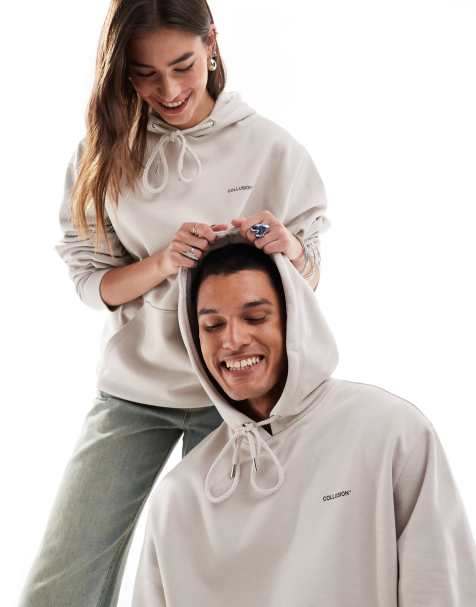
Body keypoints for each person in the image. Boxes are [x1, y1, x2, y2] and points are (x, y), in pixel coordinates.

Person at [17, 1, 329, 606]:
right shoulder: (105, 152)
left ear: (211, 43)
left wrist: (287, 248)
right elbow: (92, 281)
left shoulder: (271, 149)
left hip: (237, 400)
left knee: (214, 587)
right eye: (145, 74)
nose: (168, 91)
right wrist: (162, 262)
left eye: (182, 66)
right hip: (133, 392)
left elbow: (308, 282)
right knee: (59, 586)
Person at [131, 228, 476, 606]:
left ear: (293, 319)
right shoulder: (179, 496)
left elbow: (440, 587)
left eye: (255, 317)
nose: (233, 340)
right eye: (213, 326)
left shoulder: (390, 432)